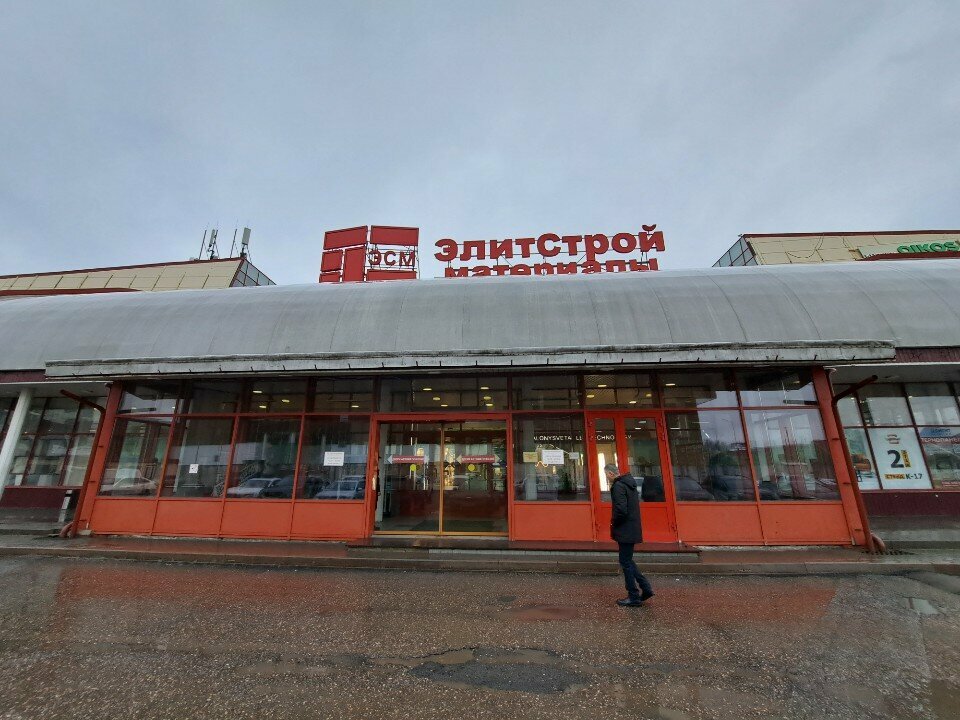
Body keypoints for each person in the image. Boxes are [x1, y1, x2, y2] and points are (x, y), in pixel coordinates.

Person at [606, 463, 654, 607]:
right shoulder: (629, 484)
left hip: (625, 529)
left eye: (606, 475)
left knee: (625, 562)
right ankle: (645, 588)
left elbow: (621, 510)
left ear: (610, 474)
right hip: (631, 528)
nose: (607, 477)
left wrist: (614, 523)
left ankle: (633, 595)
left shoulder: (619, 486)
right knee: (627, 560)